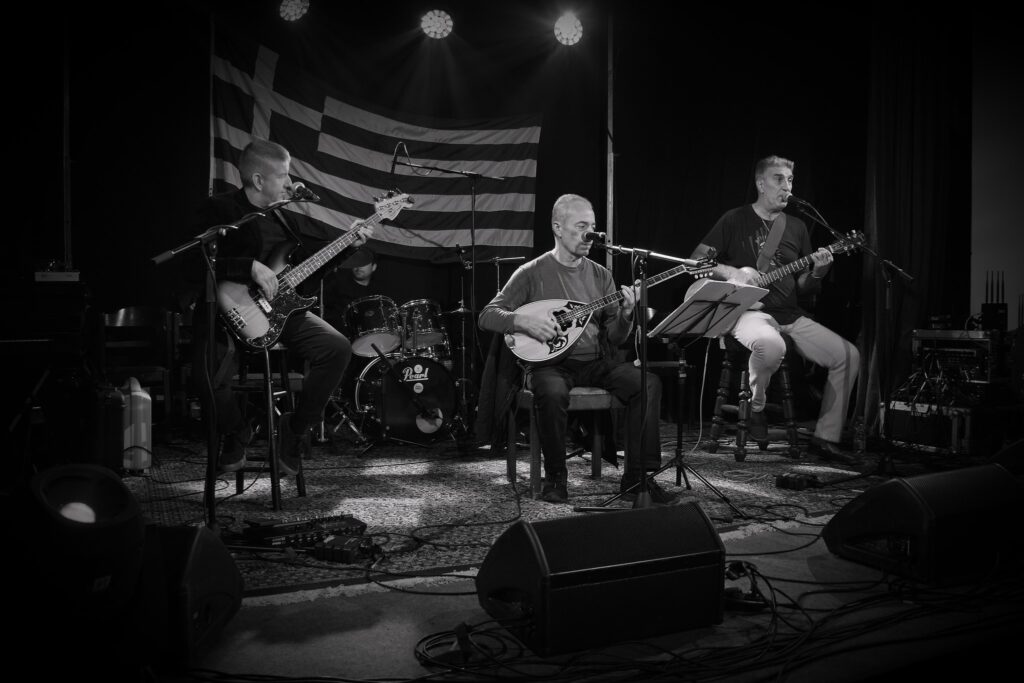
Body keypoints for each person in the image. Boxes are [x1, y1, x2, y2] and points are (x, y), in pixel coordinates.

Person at [190, 138, 372, 474]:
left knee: (336, 348)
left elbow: (307, 270)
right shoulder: (220, 210)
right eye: (282, 175)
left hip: (280, 310)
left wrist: (348, 246)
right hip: (226, 312)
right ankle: (236, 430)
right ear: (258, 180)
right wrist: (247, 267)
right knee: (206, 374)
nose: (290, 183)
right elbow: (192, 261)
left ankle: (295, 429)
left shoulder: (284, 219)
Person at [478, 194, 672, 504]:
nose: (590, 234)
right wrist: (523, 322)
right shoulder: (531, 272)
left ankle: (638, 479)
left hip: (595, 362)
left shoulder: (601, 274)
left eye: (592, 227)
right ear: (557, 227)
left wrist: (626, 314)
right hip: (550, 364)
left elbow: (616, 338)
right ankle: (556, 477)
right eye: (581, 226)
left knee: (647, 383)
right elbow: (488, 315)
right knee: (552, 391)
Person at [689, 155, 860, 463]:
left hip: (790, 315)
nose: (787, 187)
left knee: (848, 355)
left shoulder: (797, 226)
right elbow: (695, 261)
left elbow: (805, 287)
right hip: (749, 313)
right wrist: (733, 272)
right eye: (778, 179)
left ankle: (826, 437)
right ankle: (756, 407)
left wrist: (818, 273)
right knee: (771, 345)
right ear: (760, 183)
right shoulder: (734, 219)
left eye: (790, 180)